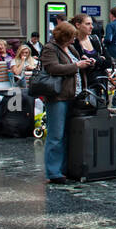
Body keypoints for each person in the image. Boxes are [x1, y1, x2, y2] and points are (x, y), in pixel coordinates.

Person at [40, 21, 95, 184]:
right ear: (64, 36)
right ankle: (53, 171)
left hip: (74, 95)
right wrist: (76, 65)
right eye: (71, 37)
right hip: (58, 96)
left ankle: (65, 168)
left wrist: (85, 62)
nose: (74, 40)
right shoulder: (50, 49)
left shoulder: (70, 48)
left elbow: (75, 64)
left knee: (68, 134)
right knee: (56, 134)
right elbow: (53, 69)